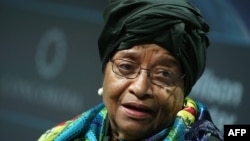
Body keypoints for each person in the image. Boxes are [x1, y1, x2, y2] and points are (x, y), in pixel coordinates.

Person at [38, 0, 224, 140]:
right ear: (106, 70)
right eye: (126, 67)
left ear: (185, 87)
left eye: (164, 74)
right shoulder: (62, 136)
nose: (141, 88)